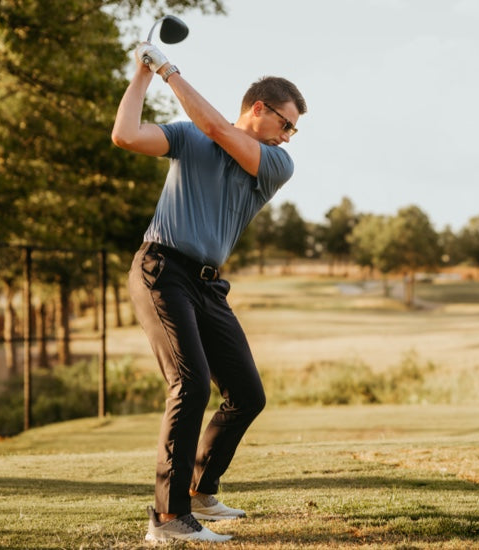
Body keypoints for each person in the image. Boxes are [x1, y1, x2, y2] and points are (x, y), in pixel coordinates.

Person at [111, 40, 305, 543]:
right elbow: (125, 135)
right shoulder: (187, 138)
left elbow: (218, 128)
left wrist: (170, 70)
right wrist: (143, 75)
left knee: (246, 394)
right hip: (160, 270)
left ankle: (200, 492)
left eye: (293, 129)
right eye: (285, 123)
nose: (289, 136)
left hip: (207, 286)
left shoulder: (274, 164)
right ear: (259, 109)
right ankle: (169, 518)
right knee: (191, 385)